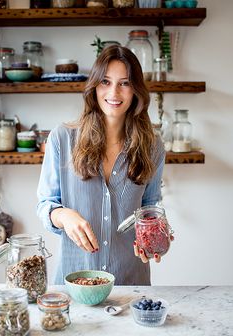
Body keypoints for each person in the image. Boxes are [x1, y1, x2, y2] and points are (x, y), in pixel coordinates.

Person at [37, 45, 166, 286]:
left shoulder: (153, 146)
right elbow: (45, 205)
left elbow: (149, 207)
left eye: (124, 83)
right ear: (94, 86)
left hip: (130, 284)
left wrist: (154, 235)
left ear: (136, 90)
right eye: (105, 82)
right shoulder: (61, 139)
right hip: (74, 285)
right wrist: (64, 215)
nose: (114, 92)